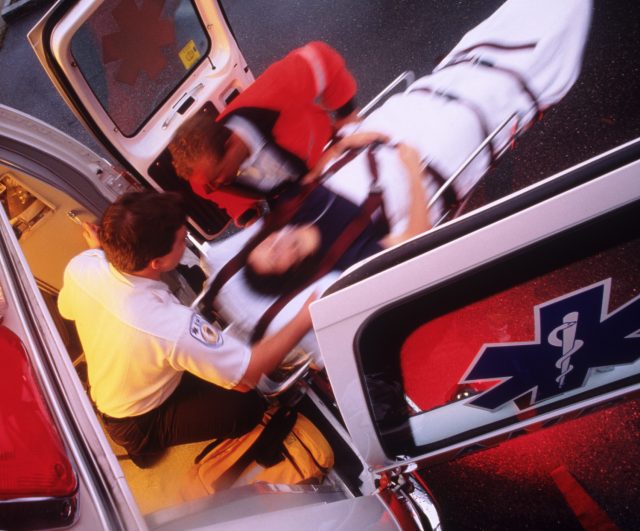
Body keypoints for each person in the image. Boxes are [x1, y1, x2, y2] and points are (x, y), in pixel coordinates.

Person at [199, 0, 592, 359]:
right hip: (427, 153)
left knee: (460, 67)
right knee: (491, 90)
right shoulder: (344, 261)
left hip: (386, 130)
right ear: (291, 271)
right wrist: (410, 167)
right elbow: (413, 240)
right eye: (276, 256)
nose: (274, 242)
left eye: (264, 244)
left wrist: (344, 143)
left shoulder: (289, 212)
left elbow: (316, 176)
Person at [57, 191, 315, 467]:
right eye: (181, 241)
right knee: (247, 408)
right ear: (157, 263)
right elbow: (247, 376)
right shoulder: (171, 325)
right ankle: (145, 447)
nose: (185, 241)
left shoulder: (82, 266)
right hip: (137, 419)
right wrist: (305, 316)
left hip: (127, 378)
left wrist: (98, 252)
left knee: (200, 368)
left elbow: (66, 310)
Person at [169, 40, 372, 225]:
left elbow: (320, 57)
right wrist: (245, 213)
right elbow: (210, 191)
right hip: (290, 198)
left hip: (331, 156)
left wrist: (346, 114)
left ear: (230, 145)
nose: (215, 186)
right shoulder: (204, 178)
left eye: (216, 178)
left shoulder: (273, 94)